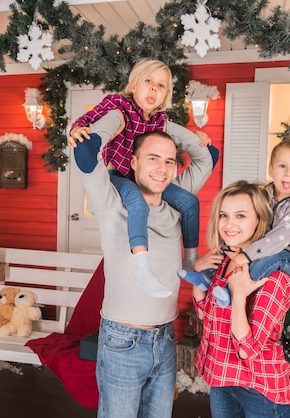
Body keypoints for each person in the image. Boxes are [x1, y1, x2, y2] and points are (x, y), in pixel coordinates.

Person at [73, 118, 217, 418]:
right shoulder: (112, 203)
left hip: (164, 339)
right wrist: (121, 120)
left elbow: (208, 155)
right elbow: (86, 151)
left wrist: (164, 123)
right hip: (122, 341)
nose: (162, 169)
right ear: (134, 162)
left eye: (169, 161)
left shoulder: (175, 201)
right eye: (153, 159)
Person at [69, 58, 205, 297]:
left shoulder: (160, 120)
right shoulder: (118, 105)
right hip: (118, 175)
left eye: (161, 86)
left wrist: (196, 137)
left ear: (165, 95)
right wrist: (76, 129)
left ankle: (190, 261)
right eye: (148, 81)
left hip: (143, 178)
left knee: (190, 202)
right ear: (134, 86)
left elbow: (172, 138)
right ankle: (143, 266)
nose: (154, 88)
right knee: (137, 204)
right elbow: (89, 119)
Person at [192, 180, 290, 418]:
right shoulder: (226, 261)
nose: (228, 225)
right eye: (224, 215)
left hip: (259, 389)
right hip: (222, 380)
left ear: (259, 220)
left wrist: (239, 298)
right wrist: (198, 274)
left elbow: (247, 349)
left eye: (240, 216)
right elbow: (206, 316)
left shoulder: (273, 275)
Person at [179, 138, 290, 306]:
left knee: (271, 259)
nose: (288, 173)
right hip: (268, 247)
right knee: (228, 246)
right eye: (282, 166)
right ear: (271, 169)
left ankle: (231, 291)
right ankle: (206, 277)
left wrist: (244, 256)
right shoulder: (265, 193)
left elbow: (277, 239)